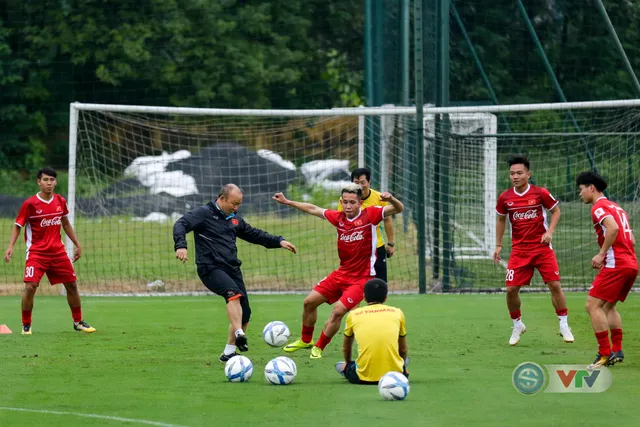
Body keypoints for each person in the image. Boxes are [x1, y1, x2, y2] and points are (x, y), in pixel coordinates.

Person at [273, 183, 404, 359]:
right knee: (309, 302)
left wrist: (391, 199)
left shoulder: (371, 214)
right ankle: (306, 340)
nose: (348, 206)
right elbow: (313, 208)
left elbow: (398, 209)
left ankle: (319, 346)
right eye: (345, 202)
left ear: (359, 203)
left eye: (352, 202)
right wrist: (288, 202)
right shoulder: (338, 217)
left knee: (337, 312)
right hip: (341, 273)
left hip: (362, 278)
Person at [173, 184, 297, 363]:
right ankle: (239, 333)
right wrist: (181, 245)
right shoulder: (204, 213)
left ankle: (229, 353)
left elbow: (254, 234)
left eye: (239, 204)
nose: (236, 208)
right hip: (210, 268)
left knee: (245, 313)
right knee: (232, 294)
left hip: (231, 268)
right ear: (222, 199)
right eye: (234, 203)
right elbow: (181, 224)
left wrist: (279, 241)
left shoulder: (234, 219)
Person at [3, 167, 96, 335]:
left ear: (56, 182)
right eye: (45, 180)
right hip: (36, 253)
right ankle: (26, 325)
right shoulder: (30, 204)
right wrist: (10, 247)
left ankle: (78, 322)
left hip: (58, 252)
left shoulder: (60, 201)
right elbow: (18, 226)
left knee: (72, 285)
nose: (49, 183)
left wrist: (77, 244)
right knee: (30, 287)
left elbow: (66, 223)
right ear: (39, 182)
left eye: (52, 180)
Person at [493, 156, 573, 346]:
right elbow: (501, 220)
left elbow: (556, 211)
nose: (515, 176)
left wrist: (550, 232)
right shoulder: (505, 197)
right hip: (519, 250)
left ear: (528, 174)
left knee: (554, 285)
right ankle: (517, 324)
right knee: (511, 289)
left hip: (542, 248)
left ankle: (563, 324)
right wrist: (498, 245)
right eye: (512, 173)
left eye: (519, 173)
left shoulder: (540, 193)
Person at [576, 172, 638, 369]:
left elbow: (612, 229)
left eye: (581, 189)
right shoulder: (617, 207)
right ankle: (617, 350)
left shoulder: (599, 207)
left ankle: (604, 353)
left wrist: (602, 254)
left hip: (616, 264)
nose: (580, 194)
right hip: (631, 263)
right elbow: (633, 239)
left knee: (592, 305)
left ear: (591, 188)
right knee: (609, 306)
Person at [336, 278, 409, 384]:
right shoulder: (397, 313)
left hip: (362, 378)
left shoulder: (353, 315)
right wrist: (402, 367)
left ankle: (347, 368)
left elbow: (346, 348)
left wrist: (348, 362)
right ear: (385, 298)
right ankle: (400, 365)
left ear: (364, 297)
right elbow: (403, 350)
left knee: (340, 366)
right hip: (395, 376)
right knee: (404, 359)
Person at [339, 168, 396, 282]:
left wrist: (390, 243)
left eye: (362, 182)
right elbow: (342, 224)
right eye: (356, 183)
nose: (359, 185)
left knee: (379, 285)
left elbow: (387, 221)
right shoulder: (345, 201)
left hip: (376, 248)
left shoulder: (380, 198)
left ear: (369, 182)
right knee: (353, 284)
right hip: (356, 250)